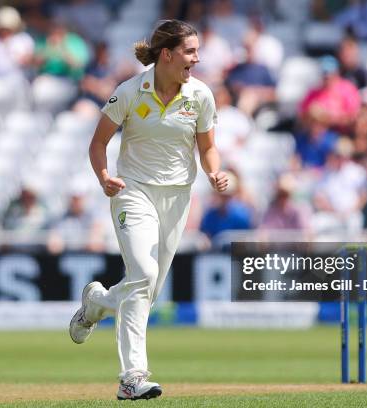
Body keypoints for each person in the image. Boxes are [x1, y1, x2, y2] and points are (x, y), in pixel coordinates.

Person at [69, 20, 228, 400]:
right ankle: (132, 378)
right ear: (167, 54)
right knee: (143, 273)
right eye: (190, 51)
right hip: (132, 190)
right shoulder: (129, 90)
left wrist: (214, 171)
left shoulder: (200, 95)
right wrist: (104, 176)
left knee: (147, 289)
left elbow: (207, 146)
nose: (197, 57)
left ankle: (96, 302)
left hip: (177, 196)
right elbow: (98, 143)